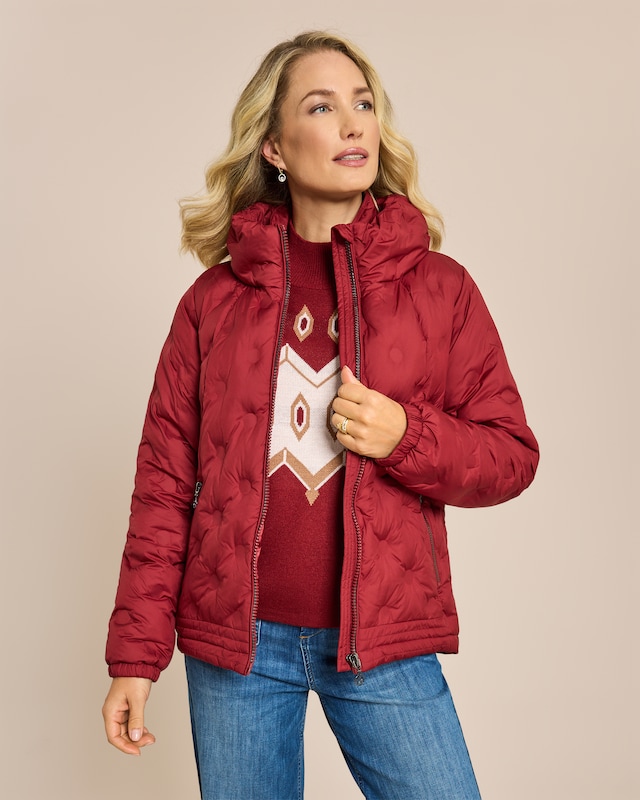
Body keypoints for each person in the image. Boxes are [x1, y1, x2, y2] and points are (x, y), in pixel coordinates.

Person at [102, 30, 539, 800]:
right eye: (321, 106)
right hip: (237, 649)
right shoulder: (211, 304)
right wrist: (135, 658)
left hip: (380, 637)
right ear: (273, 146)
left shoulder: (440, 289)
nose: (352, 123)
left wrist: (407, 435)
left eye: (362, 104)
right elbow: (163, 488)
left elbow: (511, 455)